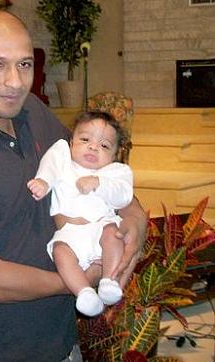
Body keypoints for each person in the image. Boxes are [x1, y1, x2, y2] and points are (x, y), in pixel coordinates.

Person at [0, 9, 147, 361]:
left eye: (25, 64)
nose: (14, 81)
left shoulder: (32, 112)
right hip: (2, 352)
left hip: (61, 342)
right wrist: (79, 279)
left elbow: (92, 168)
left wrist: (134, 219)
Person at [27, 111, 134, 317]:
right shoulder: (63, 159)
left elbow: (124, 196)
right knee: (60, 251)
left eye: (104, 146)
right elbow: (49, 165)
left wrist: (99, 184)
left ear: (114, 155)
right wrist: (43, 181)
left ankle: (109, 280)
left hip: (100, 228)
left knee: (114, 234)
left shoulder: (116, 172)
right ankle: (84, 293)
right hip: (69, 233)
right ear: (72, 142)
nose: (93, 146)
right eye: (85, 139)